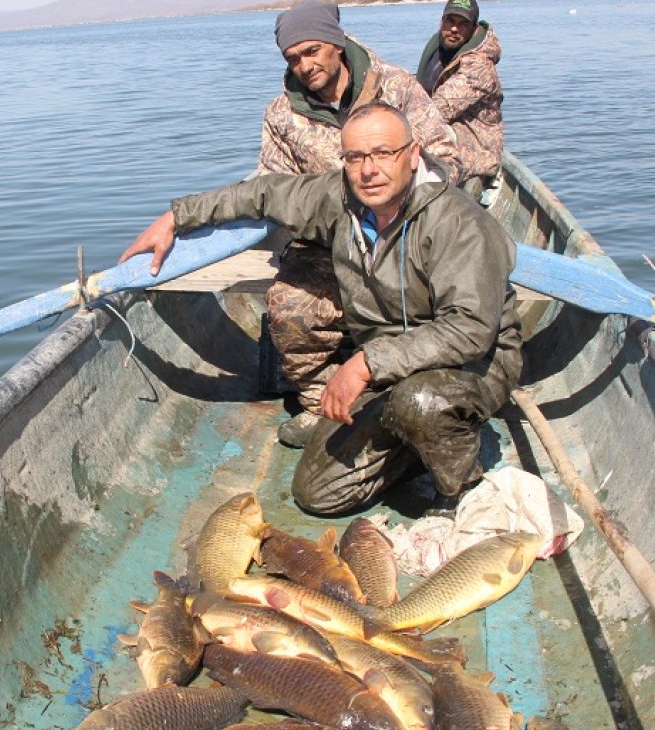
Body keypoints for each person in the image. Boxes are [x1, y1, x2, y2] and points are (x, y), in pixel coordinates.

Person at [120, 102, 522, 515]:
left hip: (476, 365)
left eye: (384, 153)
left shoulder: (459, 223)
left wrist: (363, 365)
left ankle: (461, 485)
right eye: (355, 157)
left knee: (421, 403)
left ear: (413, 153)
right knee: (318, 495)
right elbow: (263, 193)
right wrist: (177, 217)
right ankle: (421, 440)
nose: (368, 170)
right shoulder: (340, 199)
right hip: (392, 370)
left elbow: (470, 330)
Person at [257, 0, 461, 450]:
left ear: (335, 43)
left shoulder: (397, 87)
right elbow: (274, 189)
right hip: (328, 243)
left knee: (434, 307)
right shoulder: (280, 115)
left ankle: (416, 396)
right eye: (293, 58)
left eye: (312, 51)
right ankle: (319, 403)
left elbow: (447, 157)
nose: (305, 65)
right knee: (288, 307)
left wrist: (398, 207)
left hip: (407, 233)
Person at [417, 0, 504, 206]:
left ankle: (474, 187)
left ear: (473, 29)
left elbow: (438, 109)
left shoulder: (479, 67)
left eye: (462, 23)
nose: (454, 29)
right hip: (446, 132)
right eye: (450, 21)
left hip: (476, 147)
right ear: (442, 21)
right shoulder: (439, 52)